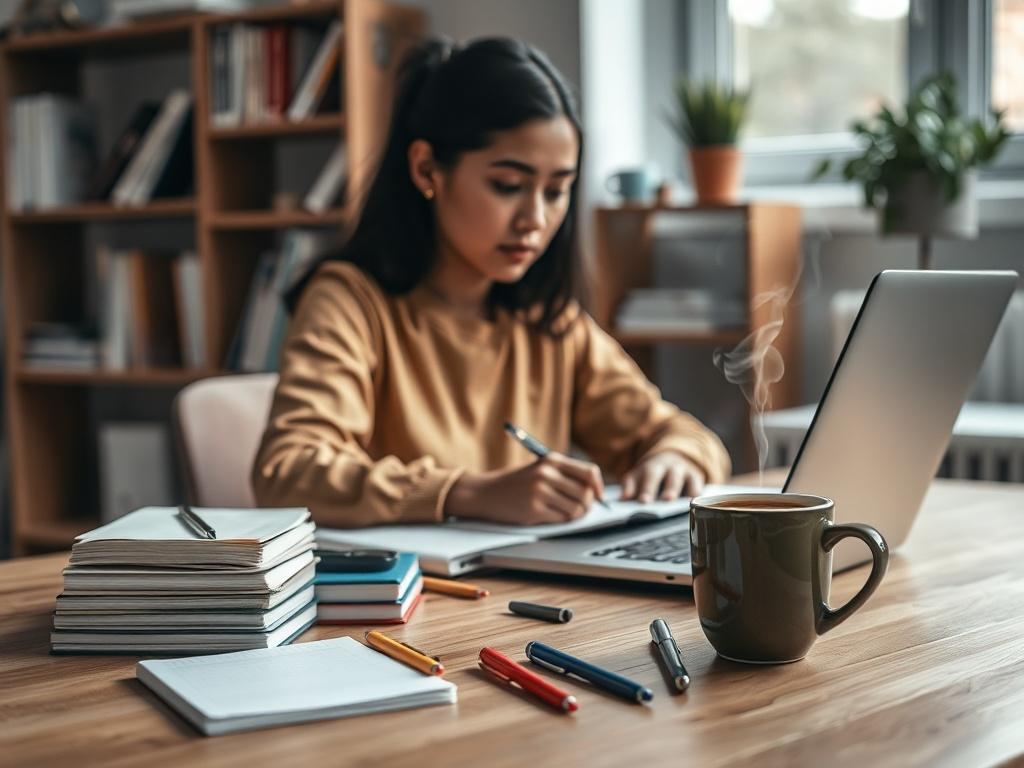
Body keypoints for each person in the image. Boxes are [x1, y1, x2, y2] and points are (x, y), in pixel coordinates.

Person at [251, 37, 730, 528]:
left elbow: (683, 435)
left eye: (557, 191)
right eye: (508, 186)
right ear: (426, 168)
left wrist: (676, 458)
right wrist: (465, 492)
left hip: (529, 593)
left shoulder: (547, 318)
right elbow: (288, 472)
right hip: (409, 598)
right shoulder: (350, 301)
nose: (535, 219)